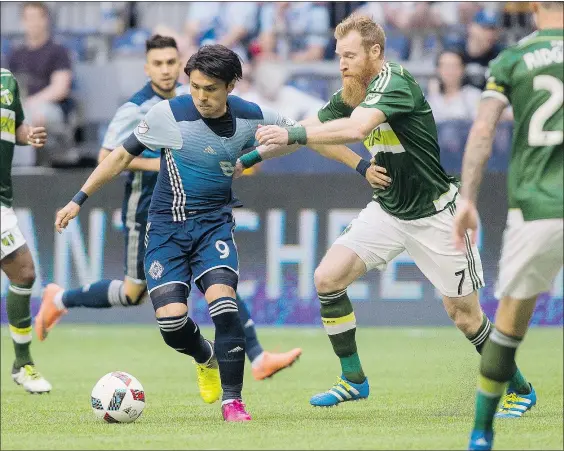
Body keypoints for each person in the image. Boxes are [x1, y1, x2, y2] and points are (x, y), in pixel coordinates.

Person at [52, 44, 384, 421]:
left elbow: (308, 135)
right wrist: (78, 199)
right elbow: (119, 157)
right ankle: (205, 357)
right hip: (166, 229)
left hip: (213, 226)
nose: (200, 96)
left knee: (224, 307)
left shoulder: (252, 117)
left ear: (230, 86)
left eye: (210, 89)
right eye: (194, 87)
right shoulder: (168, 115)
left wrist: (360, 166)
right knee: (172, 323)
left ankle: (233, 402)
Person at [255, 14, 535, 411]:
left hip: (436, 215)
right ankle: (353, 379)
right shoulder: (353, 90)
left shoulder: (395, 83)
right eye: (338, 56)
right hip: (388, 212)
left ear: (376, 52)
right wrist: (253, 151)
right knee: (327, 278)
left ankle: (520, 388)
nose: (342, 64)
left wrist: (295, 134)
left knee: (465, 316)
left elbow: (354, 128)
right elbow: (309, 130)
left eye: (349, 55)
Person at [34, 35, 302, 386]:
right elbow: (109, 157)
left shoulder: (199, 97)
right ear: (146, 68)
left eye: (171, 62)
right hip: (147, 209)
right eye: (158, 64)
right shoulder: (138, 109)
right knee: (135, 294)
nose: (166, 70)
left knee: (220, 283)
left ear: (181, 65)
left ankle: (255, 357)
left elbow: (286, 134)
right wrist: (169, 163)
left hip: (201, 213)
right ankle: (62, 297)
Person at [453, 3, 562, 450]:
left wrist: (468, 200)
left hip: (535, 208)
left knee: (509, 326)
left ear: (535, 8)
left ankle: (482, 432)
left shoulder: (511, 60)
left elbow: (482, 132)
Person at [1, 68, 50, 393]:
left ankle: (22, 363)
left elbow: (12, 127)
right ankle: (23, 363)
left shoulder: (7, 81)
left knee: (23, 273)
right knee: (24, 271)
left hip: (1, 199)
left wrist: (25, 134)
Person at [7, 2, 73, 166]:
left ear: (46, 20)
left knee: (27, 115)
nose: (33, 22)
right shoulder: (15, 54)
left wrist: (30, 103)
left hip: (51, 108)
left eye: (37, 17)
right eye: (29, 18)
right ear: (23, 21)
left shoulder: (58, 51)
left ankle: (24, 171)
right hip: (21, 104)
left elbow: (60, 88)